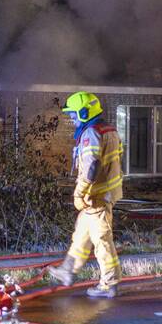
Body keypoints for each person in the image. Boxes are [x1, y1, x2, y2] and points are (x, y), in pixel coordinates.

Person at [47, 91, 125, 298]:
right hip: (100, 196)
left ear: (84, 112)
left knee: (101, 241)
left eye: (73, 115)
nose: (72, 119)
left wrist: (79, 192)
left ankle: (109, 283)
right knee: (81, 235)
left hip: (96, 198)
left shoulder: (91, 133)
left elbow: (92, 166)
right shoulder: (110, 130)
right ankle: (68, 271)